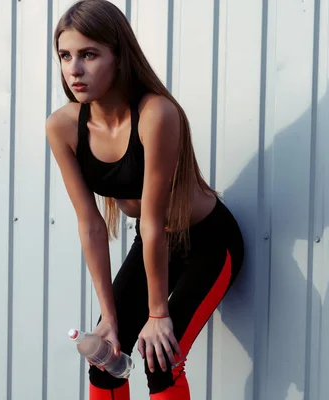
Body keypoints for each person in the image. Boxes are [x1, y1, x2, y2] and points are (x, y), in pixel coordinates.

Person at [45, 1, 245, 399]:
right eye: (66, 56)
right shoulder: (63, 126)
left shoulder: (156, 114)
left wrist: (158, 314)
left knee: (161, 360)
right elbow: (91, 224)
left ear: (119, 58)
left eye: (89, 55)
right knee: (106, 359)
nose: (74, 69)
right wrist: (110, 318)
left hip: (207, 243)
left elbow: (153, 220)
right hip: (153, 243)